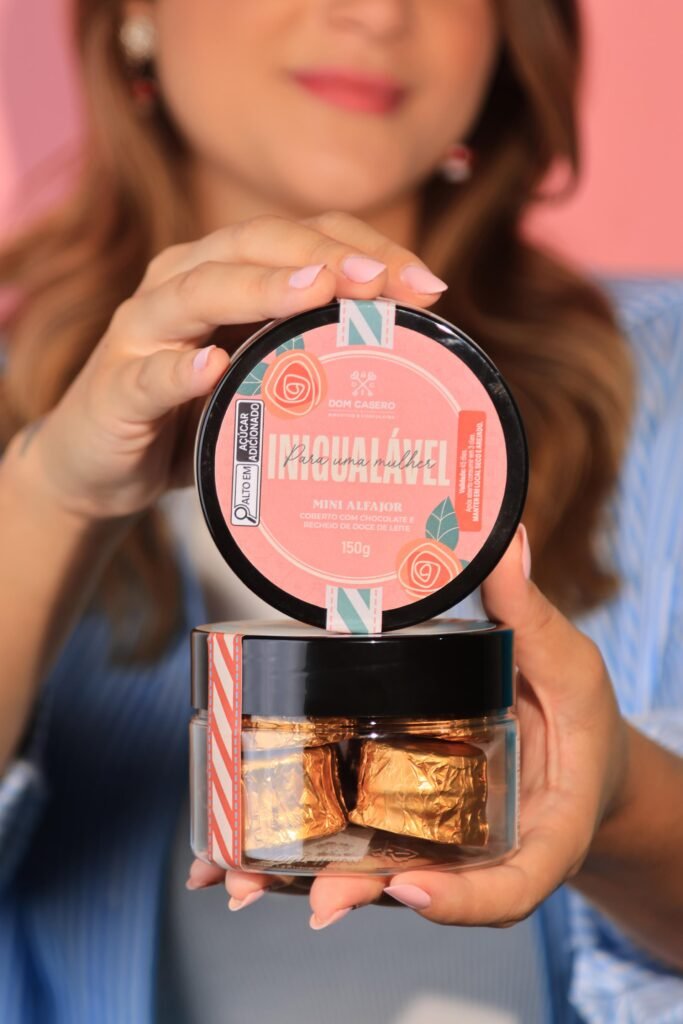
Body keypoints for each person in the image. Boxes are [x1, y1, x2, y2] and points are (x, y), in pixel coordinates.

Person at [0, 1, 681, 1022]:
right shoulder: (23, 426)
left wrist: (615, 798)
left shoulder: (665, 379)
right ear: (135, 12)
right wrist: (50, 497)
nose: (372, 12)